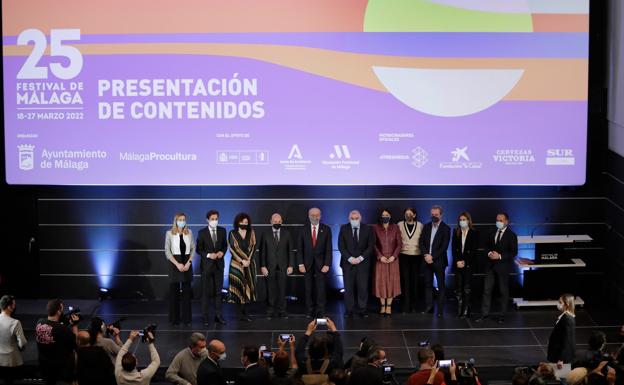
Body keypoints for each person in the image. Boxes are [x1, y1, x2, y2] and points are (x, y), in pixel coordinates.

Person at [475, 212, 518, 324]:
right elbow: (485, 246)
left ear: (506, 222)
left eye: (501, 220)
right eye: (497, 220)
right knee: (486, 290)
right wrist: (489, 253)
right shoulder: (491, 231)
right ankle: (484, 314)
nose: (498, 222)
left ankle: (502, 315)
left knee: (503, 291)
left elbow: (513, 252)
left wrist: (499, 256)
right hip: (490, 266)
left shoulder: (511, 235)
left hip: (502, 267)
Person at [338, 210, 375, 318]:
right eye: (352, 218)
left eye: (356, 218)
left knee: (363, 288)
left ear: (360, 218)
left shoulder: (368, 229)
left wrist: (360, 258)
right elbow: (341, 246)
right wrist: (349, 258)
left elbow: (371, 245)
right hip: (348, 264)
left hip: (363, 264)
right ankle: (349, 310)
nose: (354, 220)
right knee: (348, 288)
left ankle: (362, 309)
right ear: (349, 219)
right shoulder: (343, 228)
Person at [297, 207, 333, 318]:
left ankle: (320, 311)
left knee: (321, 289)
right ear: (308, 216)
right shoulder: (303, 229)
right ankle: (309, 311)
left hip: (321, 264)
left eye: (317, 215)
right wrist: (300, 264)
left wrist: (327, 264)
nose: (314, 217)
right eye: (312, 215)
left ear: (320, 216)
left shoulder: (326, 229)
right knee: (308, 288)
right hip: (306, 265)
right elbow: (299, 248)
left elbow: (328, 249)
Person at [35, 298, 79, 385]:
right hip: (59, 368)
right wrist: (75, 325)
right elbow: (76, 343)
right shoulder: (62, 329)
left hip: (44, 364)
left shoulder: (39, 322)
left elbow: (53, 328)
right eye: (61, 309)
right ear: (58, 312)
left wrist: (64, 324)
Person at [260, 213, 295, 319]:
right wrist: (263, 266)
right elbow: (262, 252)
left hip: (283, 266)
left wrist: (291, 265)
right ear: (271, 222)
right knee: (270, 290)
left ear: (282, 222)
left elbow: (291, 251)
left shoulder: (287, 233)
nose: (277, 223)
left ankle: (282, 311)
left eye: (279, 222)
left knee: (282, 290)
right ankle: (270, 310)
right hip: (269, 267)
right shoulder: (265, 234)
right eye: (275, 222)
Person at [196, 209, 228, 326]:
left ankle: (218, 316)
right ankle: (205, 317)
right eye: (212, 219)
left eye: (216, 219)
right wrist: (209, 255)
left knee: (218, 292)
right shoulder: (201, 232)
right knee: (205, 292)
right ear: (207, 220)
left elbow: (225, 245)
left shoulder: (222, 231)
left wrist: (222, 253)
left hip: (219, 265)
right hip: (206, 266)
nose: (214, 221)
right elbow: (199, 250)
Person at [419, 205, 451, 318]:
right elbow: (421, 242)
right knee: (427, 284)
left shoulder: (446, 228)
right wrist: (426, 255)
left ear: (441, 215)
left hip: (439, 261)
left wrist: (432, 256)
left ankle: (441, 310)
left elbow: (444, 247)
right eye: (432, 214)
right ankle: (429, 307)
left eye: (436, 215)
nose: (434, 216)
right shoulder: (426, 226)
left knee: (441, 285)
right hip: (426, 260)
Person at [165, 212, 195, 326]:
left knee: (187, 293)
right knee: (174, 293)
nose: (182, 221)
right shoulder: (169, 233)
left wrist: (189, 262)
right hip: (174, 264)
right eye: (180, 219)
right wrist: (177, 264)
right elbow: (167, 251)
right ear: (176, 221)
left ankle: (187, 318)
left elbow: (193, 248)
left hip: (187, 264)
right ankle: (174, 319)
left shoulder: (189, 232)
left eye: (183, 219)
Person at [228, 212, 258, 322]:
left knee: (248, 288)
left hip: (249, 264)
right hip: (237, 265)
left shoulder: (251, 232)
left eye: (246, 222)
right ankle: (239, 314)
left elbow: (254, 246)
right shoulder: (232, 233)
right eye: (242, 222)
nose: (244, 224)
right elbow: (232, 248)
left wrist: (248, 260)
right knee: (239, 288)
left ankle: (246, 313)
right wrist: (242, 261)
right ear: (237, 222)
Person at [373, 209, 402, 316]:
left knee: (391, 283)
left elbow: (399, 244)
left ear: (390, 216)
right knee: (381, 283)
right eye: (383, 215)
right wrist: (380, 256)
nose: (385, 217)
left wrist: (394, 256)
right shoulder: (375, 228)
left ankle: (389, 306)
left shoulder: (396, 227)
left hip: (392, 260)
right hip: (380, 260)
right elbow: (373, 244)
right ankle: (382, 306)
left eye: (387, 215)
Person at [451, 212, 478, 318]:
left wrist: (465, 262)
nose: (462, 221)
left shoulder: (474, 233)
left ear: (468, 220)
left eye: (464, 219)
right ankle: (460, 308)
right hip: (458, 264)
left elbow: (473, 250)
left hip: (468, 265)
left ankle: (466, 309)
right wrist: (457, 261)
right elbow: (453, 249)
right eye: (460, 219)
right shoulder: (456, 232)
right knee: (458, 288)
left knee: (467, 287)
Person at [397, 207, 424, 313]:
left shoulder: (420, 225)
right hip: (404, 255)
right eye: (406, 213)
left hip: (416, 256)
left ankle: (414, 304)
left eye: (410, 213)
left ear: (414, 215)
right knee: (405, 280)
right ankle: (406, 304)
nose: (408, 215)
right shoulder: (399, 224)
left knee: (414, 280)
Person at [0, 295, 26, 385]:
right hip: (11, 361)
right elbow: (22, 343)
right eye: (14, 305)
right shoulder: (15, 322)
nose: (15, 307)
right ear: (9, 307)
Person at [547, 293, 577, 368]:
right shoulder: (565, 316)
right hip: (557, 353)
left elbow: (567, 341)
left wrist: (561, 359)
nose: (558, 304)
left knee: (560, 377)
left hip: (561, 357)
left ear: (566, 304)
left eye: (560, 302)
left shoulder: (567, 319)